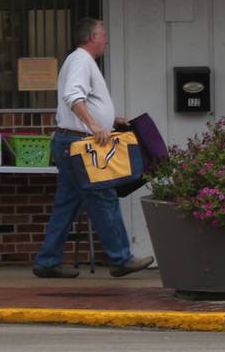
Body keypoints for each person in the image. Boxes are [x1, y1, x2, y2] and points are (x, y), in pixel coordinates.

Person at [32, 18, 154, 279]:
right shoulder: (81, 61)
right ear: (92, 37)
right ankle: (121, 258)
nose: (106, 40)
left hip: (71, 142)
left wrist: (111, 120)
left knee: (68, 203)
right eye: (103, 35)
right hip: (81, 143)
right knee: (104, 197)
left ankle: (47, 260)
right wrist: (96, 124)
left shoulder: (79, 61)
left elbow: (79, 100)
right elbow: (73, 96)